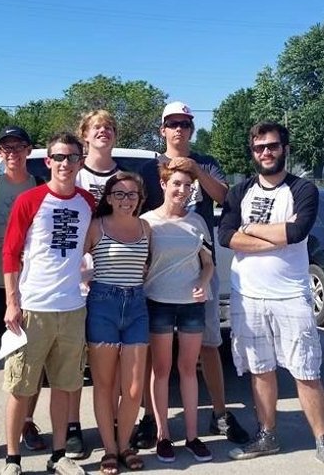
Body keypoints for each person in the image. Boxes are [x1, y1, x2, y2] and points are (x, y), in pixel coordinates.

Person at [218, 122, 324, 474]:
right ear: (252, 152)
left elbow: (296, 232)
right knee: (260, 369)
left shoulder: (303, 189)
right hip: (248, 296)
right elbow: (226, 237)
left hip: (290, 296)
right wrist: (271, 236)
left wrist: (249, 229)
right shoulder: (239, 191)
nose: (266, 152)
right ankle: (267, 436)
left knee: (306, 370)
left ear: (285, 148)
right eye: (259, 147)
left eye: (272, 146)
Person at [134, 101, 249, 449]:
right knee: (153, 352)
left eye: (185, 124)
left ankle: (219, 413)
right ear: (162, 130)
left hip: (200, 269)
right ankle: (150, 419)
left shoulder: (206, 163)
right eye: (172, 124)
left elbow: (226, 198)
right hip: (158, 272)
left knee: (210, 343)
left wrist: (196, 170)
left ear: (191, 129)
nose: (179, 129)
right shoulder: (149, 168)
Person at [0, 132, 96, 475]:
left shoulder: (87, 202)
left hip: (72, 309)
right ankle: (12, 459)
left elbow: (92, 243)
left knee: (65, 387)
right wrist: (12, 302)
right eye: (59, 157)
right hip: (33, 309)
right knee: (20, 387)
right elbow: (10, 253)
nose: (65, 163)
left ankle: (58, 455)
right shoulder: (30, 200)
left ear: (80, 161)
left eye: (72, 157)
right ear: (48, 161)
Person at [0, 126, 50, 467]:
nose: (12, 152)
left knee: (33, 361)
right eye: (6, 147)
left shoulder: (42, 188)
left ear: (29, 150)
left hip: (32, 288)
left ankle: (27, 421)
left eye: (18, 146)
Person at [140, 158, 215, 464]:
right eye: (176, 184)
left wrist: (203, 282)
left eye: (187, 185)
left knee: (188, 369)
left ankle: (193, 436)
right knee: (161, 369)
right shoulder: (147, 222)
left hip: (191, 305)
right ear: (163, 184)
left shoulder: (197, 222)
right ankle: (163, 435)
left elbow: (208, 263)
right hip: (157, 301)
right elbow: (141, 263)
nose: (182, 190)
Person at [62, 108, 123, 460]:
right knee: (74, 360)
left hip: (114, 279)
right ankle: (72, 427)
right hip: (76, 280)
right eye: (97, 127)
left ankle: (112, 424)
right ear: (85, 135)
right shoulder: (74, 174)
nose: (104, 131)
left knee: (111, 362)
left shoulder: (124, 178)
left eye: (109, 126)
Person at [84, 172, 151, 474]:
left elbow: (147, 266)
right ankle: (110, 450)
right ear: (109, 198)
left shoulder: (146, 228)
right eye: (120, 194)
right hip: (103, 305)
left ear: (140, 198)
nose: (126, 199)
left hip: (136, 306)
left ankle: (125, 445)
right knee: (104, 384)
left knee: (134, 388)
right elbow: (74, 261)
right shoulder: (96, 227)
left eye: (132, 194)